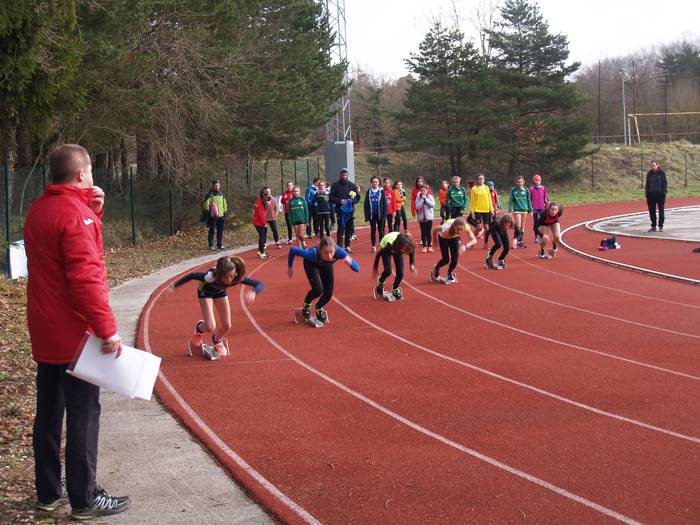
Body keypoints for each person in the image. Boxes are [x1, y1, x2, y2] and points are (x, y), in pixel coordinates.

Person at [24, 144, 130, 519]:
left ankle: (48, 491)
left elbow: (58, 253)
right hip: (75, 334)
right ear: (82, 173)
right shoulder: (74, 216)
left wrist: (92, 210)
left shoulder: (39, 210)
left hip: (45, 328)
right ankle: (85, 499)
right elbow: (85, 277)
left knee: (49, 412)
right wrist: (108, 330)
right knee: (84, 414)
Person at [171, 256, 264, 357]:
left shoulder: (236, 277)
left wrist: (254, 292)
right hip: (205, 292)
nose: (229, 280)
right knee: (210, 326)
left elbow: (260, 284)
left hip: (220, 292)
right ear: (220, 275)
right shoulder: (210, 277)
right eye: (226, 277)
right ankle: (199, 329)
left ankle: (217, 341)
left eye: (231, 276)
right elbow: (192, 275)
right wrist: (174, 286)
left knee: (227, 325)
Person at [288, 236, 360, 324]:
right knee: (318, 290)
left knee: (328, 293)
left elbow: (357, 269)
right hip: (311, 264)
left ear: (335, 250)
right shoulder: (312, 254)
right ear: (320, 251)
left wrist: (350, 262)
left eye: (331, 252)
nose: (329, 256)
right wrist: (290, 267)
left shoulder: (339, 252)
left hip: (326, 265)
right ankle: (307, 304)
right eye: (325, 253)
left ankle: (319, 307)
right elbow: (293, 250)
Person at [430, 217, 477, 284]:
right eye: (458, 229)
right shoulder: (446, 227)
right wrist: (435, 240)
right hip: (443, 238)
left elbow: (474, 240)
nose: (460, 231)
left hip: (454, 238)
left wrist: (465, 246)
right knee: (446, 260)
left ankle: (450, 273)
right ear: (454, 226)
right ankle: (436, 269)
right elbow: (434, 229)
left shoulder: (466, 227)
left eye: (461, 229)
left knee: (455, 259)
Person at [373, 232, 417, 300]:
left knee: (400, 273)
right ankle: (380, 282)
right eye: (402, 248)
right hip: (386, 245)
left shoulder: (410, 245)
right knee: (388, 271)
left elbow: (411, 254)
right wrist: (375, 268)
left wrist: (412, 265)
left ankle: (395, 289)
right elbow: (378, 254)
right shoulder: (389, 245)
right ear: (399, 245)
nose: (403, 250)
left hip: (397, 246)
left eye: (405, 249)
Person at [329, 168, 360, 252]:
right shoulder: (335, 185)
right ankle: (339, 247)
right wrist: (340, 201)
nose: (344, 176)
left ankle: (347, 246)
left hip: (350, 211)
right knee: (341, 229)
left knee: (348, 229)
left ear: (347, 175)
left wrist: (351, 201)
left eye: (346, 175)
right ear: (340, 175)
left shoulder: (352, 185)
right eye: (343, 175)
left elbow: (357, 197)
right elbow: (331, 197)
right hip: (340, 211)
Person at [469, 174, 495, 247]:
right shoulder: (474, 189)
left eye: (482, 179)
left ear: (484, 180)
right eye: (479, 179)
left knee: (486, 227)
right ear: (477, 180)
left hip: (486, 210)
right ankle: (473, 240)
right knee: (479, 227)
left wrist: (492, 209)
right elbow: (473, 201)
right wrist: (472, 211)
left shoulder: (487, 188)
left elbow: (489, 199)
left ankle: (486, 242)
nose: (481, 180)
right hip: (477, 210)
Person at [203, 179, 228, 251]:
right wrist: (210, 212)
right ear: (213, 186)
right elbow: (206, 205)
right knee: (212, 230)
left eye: (218, 185)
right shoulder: (210, 194)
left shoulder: (221, 194)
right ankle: (211, 245)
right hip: (213, 216)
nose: (217, 187)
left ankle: (219, 244)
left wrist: (224, 211)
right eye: (216, 185)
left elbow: (224, 204)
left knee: (220, 230)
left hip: (221, 215)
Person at [364, 176, 388, 252]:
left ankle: (382, 246)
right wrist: (366, 215)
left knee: (381, 231)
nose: (375, 183)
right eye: (373, 182)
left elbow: (385, 204)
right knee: (373, 230)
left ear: (378, 183)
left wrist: (384, 215)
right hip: (372, 215)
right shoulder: (369, 191)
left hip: (380, 215)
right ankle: (373, 246)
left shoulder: (381, 191)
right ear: (371, 183)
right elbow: (366, 204)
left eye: (376, 182)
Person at [508, 175, 532, 249]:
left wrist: (530, 210)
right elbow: (511, 201)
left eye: (521, 182)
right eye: (518, 182)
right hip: (517, 210)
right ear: (516, 182)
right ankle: (515, 241)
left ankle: (518, 241)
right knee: (517, 226)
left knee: (522, 227)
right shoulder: (514, 190)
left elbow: (529, 200)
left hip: (524, 210)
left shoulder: (526, 190)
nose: (520, 183)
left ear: (523, 182)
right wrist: (509, 210)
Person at [645, 160, 668, 232]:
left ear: (657, 165)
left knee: (661, 211)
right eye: (651, 166)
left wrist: (664, 192)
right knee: (652, 211)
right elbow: (647, 184)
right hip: (651, 196)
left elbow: (665, 183)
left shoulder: (662, 173)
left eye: (654, 165)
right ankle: (653, 226)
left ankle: (661, 226)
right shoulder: (649, 174)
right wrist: (647, 194)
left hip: (660, 195)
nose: (653, 167)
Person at [415, 184, 435, 252]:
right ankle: (424, 247)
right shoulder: (418, 198)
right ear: (420, 191)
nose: (423, 192)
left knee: (428, 232)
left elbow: (432, 205)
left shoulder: (430, 197)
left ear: (427, 190)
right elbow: (417, 207)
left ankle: (429, 246)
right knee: (423, 232)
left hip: (429, 218)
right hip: (421, 218)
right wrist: (422, 200)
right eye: (422, 190)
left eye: (424, 190)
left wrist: (425, 199)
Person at [529, 174, 548, 243]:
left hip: (542, 208)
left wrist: (546, 204)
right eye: (536, 180)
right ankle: (536, 237)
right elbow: (529, 199)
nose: (537, 182)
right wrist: (530, 208)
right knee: (536, 222)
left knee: (542, 223)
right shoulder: (531, 188)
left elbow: (545, 197)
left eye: (539, 180)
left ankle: (541, 236)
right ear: (534, 181)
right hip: (534, 208)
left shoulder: (543, 188)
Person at [253, 187, 271, 258]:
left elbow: (265, 208)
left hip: (258, 221)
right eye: (267, 193)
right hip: (259, 223)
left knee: (263, 236)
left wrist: (268, 203)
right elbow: (261, 215)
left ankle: (261, 250)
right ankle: (261, 252)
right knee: (262, 237)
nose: (269, 195)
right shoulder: (260, 202)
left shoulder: (261, 200)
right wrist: (264, 224)